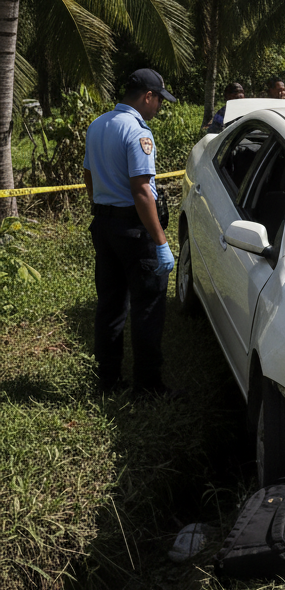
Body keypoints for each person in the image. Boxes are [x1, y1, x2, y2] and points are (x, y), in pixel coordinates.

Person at [83, 69, 177, 397]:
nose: (158, 109)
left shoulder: (98, 124)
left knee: (110, 304)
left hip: (104, 225)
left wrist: (103, 204)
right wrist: (161, 242)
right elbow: (141, 191)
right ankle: (148, 385)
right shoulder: (138, 132)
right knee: (147, 304)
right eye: (158, 102)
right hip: (134, 230)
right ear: (147, 96)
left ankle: (107, 381)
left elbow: (89, 177)